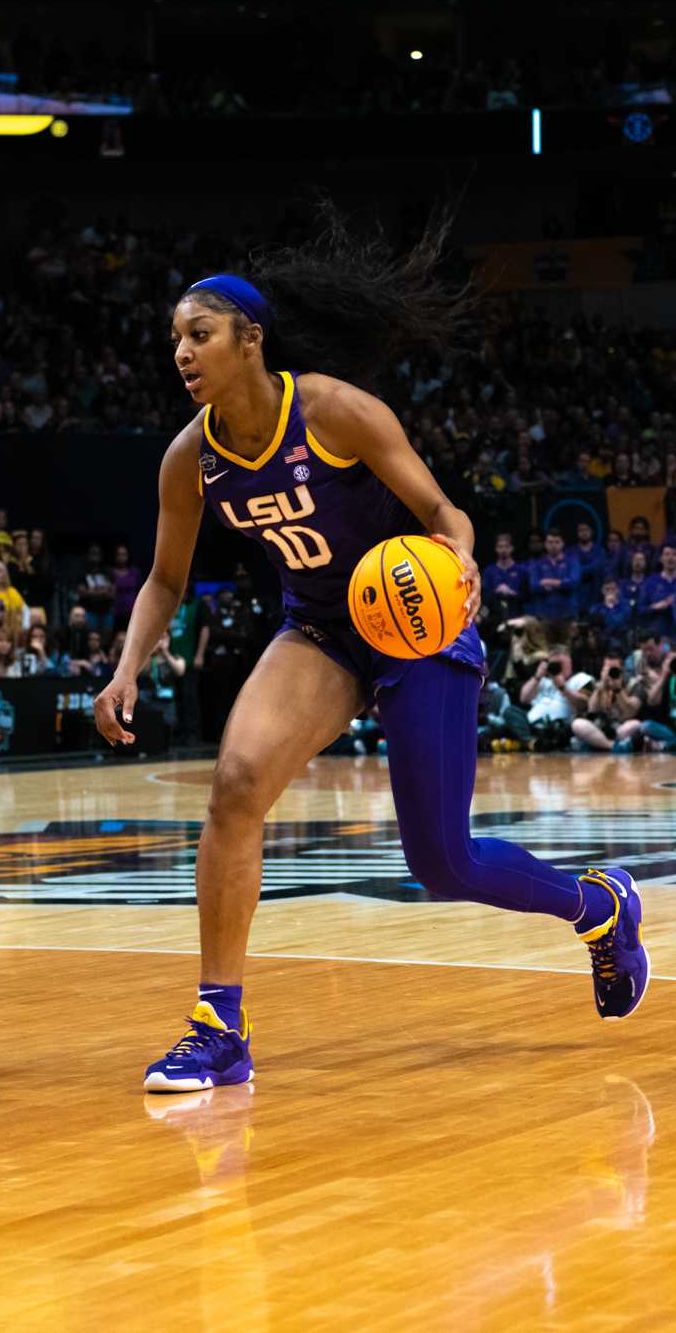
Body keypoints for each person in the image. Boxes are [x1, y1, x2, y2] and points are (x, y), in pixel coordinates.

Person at [94, 216, 648, 1094]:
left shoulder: (333, 409)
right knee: (236, 785)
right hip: (320, 628)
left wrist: (461, 557)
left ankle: (600, 907)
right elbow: (165, 580)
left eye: (198, 334)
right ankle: (218, 1027)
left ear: (251, 340)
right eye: (175, 340)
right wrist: (126, 667)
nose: (182, 352)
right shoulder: (189, 458)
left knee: (442, 862)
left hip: (416, 621)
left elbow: (443, 512)